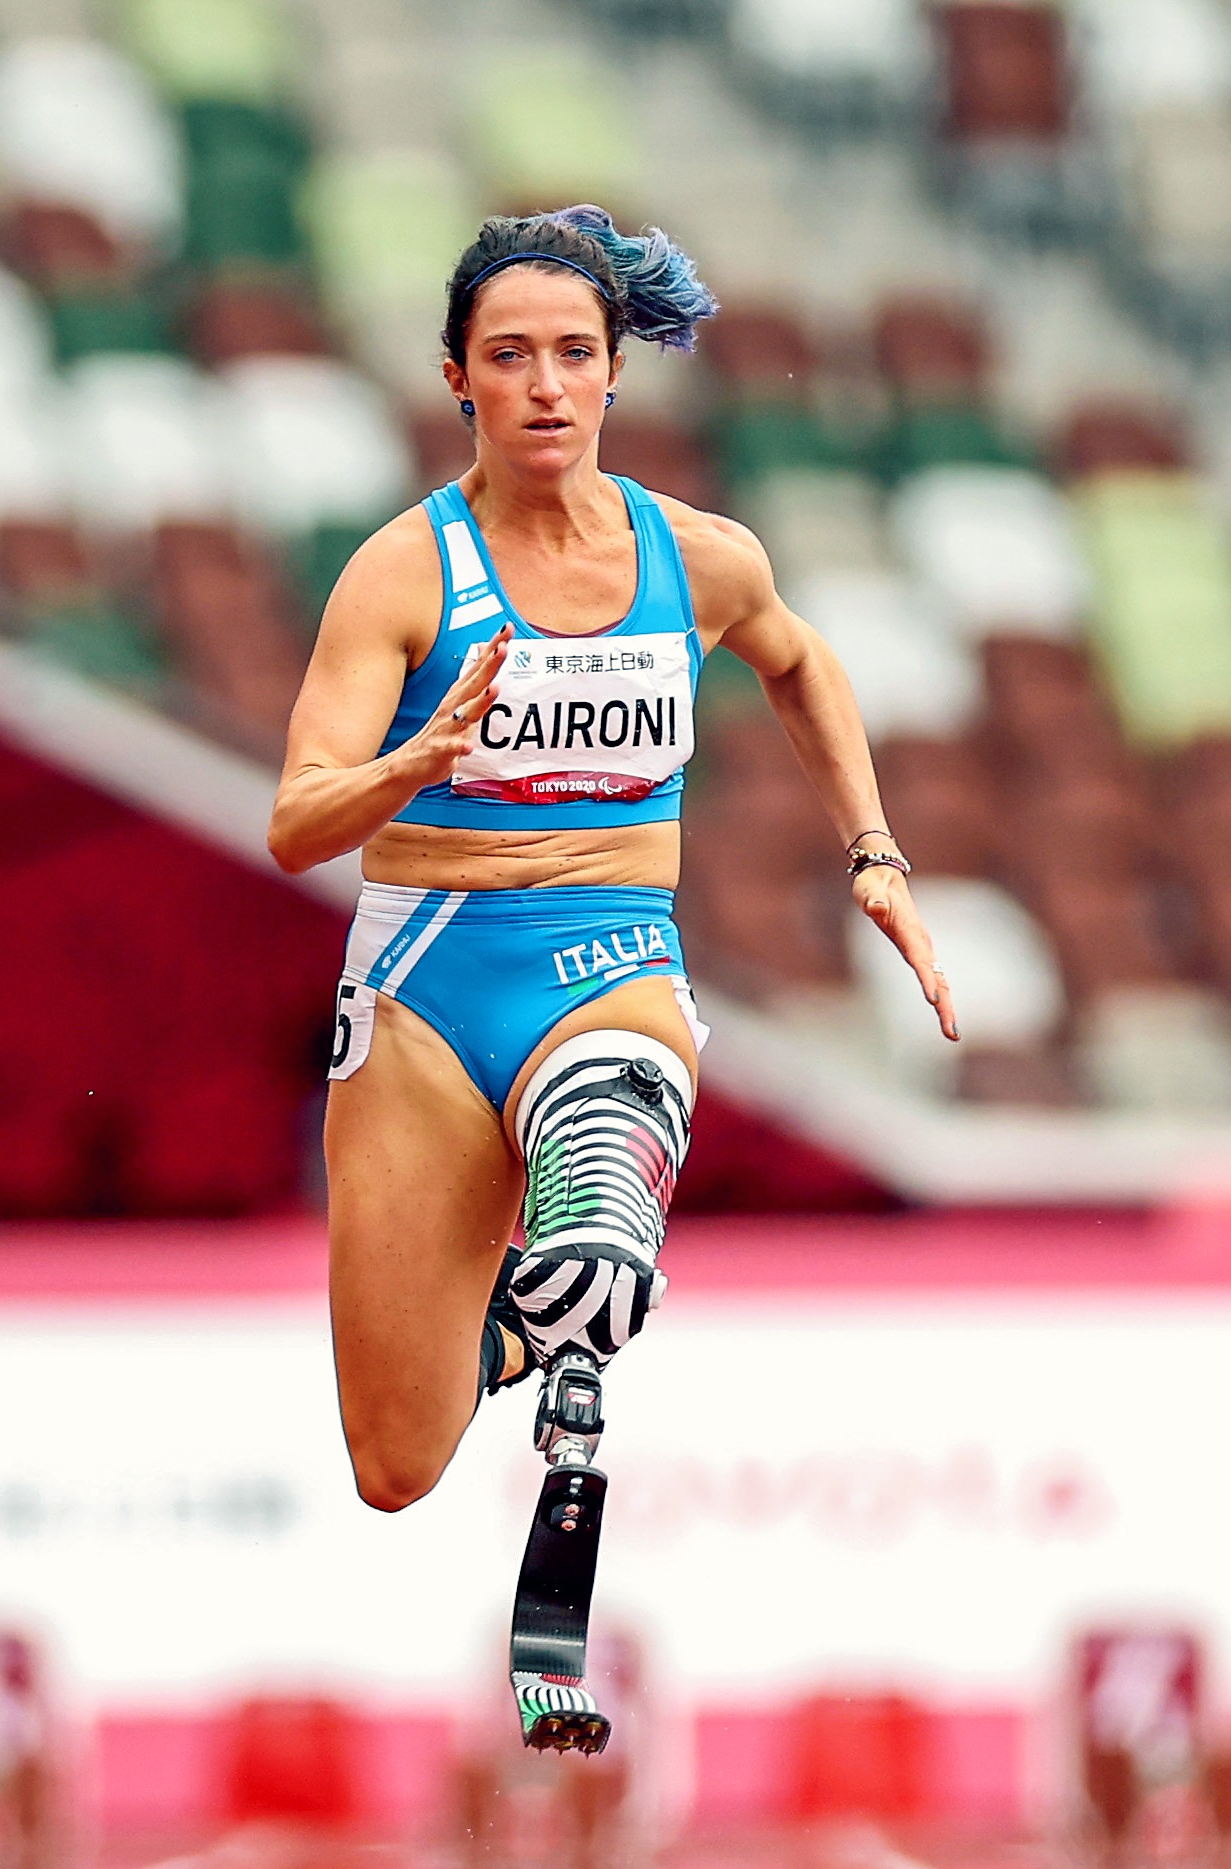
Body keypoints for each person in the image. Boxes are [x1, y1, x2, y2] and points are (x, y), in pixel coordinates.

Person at [268, 204, 959, 1738]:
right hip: (426, 984)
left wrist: (875, 852)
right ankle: (543, 1321)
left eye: (574, 354)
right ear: (456, 375)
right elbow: (294, 821)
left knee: (610, 1110)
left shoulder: (697, 557)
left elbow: (800, 659)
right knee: (396, 1461)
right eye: (509, 355)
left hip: (612, 960)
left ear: (614, 373)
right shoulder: (401, 575)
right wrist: (415, 762)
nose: (545, 386)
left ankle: (594, 1230)